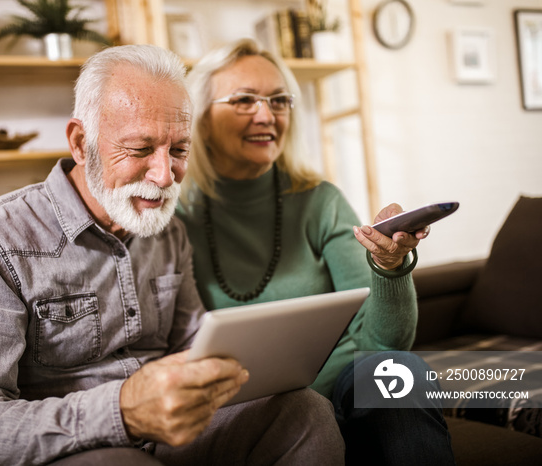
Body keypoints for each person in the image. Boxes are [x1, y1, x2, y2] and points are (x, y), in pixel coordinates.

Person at [0, 44, 345, 466]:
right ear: (80, 142)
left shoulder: (167, 230)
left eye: (178, 151)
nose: (164, 177)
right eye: (140, 150)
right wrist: (121, 413)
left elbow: (192, 346)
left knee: (303, 412)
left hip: (171, 437)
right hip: (73, 449)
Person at [176, 38, 455, 465]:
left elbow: (384, 345)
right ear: (201, 118)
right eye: (244, 100)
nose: (267, 115)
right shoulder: (172, 217)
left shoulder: (319, 200)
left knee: (400, 371)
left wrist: (389, 266)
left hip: (345, 390)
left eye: (279, 100)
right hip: (244, 411)